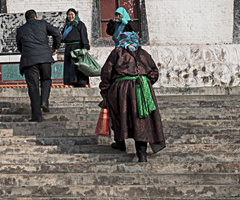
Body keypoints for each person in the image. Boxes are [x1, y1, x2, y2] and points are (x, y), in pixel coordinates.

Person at [99, 17, 165, 163]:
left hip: (121, 90)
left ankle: (120, 142)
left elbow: (106, 73)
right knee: (141, 120)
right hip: (142, 88)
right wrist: (145, 82)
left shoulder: (117, 52)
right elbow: (154, 71)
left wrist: (105, 91)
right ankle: (142, 154)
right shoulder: (143, 53)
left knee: (119, 115)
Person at [16, 9, 62, 122]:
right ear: (36, 16)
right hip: (45, 58)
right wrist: (55, 47)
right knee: (46, 79)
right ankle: (44, 101)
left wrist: (27, 52)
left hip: (29, 60)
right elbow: (57, 33)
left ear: (26, 19)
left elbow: (19, 46)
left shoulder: (21, 29)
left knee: (33, 87)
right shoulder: (43, 23)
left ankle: (37, 116)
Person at [61, 8, 90, 87]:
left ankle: (81, 83)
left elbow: (84, 36)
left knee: (79, 65)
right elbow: (63, 38)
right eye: (69, 15)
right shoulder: (67, 26)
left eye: (72, 14)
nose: (70, 16)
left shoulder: (80, 24)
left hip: (78, 47)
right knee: (70, 66)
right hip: (68, 48)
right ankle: (72, 82)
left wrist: (85, 47)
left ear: (75, 15)